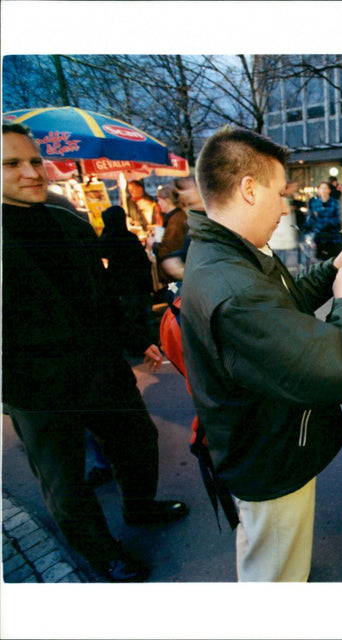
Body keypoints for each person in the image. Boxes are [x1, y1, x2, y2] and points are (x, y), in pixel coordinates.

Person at [179, 125, 342, 582]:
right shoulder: (237, 285)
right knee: (278, 574)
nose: (285, 208)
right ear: (248, 189)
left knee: (263, 553)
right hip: (270, 459)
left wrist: (331, 270)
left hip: (259, 448)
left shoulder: (233, 254)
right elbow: (336, 366)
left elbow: (283, 308)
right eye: (278, 193)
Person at [2, 123, 188, 583]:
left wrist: (135, 337)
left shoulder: (68, 221)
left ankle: (140, 509)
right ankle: (103, 554)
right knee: (65, 481)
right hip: (37, 386)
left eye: (34, 160)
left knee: (138, 442)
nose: (31, 171)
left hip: (101, 367)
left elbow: (102, 294)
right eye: (12, 163)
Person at [98, 205, 159, 352]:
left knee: (129, 317)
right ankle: (149, 342)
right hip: (140, 284)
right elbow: (144, 262)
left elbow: (100, 251)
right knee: (143, 315)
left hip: (123, 287)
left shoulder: (108, 239)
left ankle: (136, 345)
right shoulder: (130, 238)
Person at [152, 183, 189, 284]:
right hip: (174, 275)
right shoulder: (175, 217)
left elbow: (170, 247)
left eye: (160, 200)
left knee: (175, 296)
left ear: (167, 201)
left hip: (175, 278)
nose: (158, 203)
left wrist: (153, 245)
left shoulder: (175, 220)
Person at [305, 180, 342, 260]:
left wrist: (325, 223)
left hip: (333, 237)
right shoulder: (314, 202)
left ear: (329, 190)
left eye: (325, 188)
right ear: (318, 190)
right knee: (321, 260)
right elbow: (311, 218)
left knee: (333, 260)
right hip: (320, 237)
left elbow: (340, 218)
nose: (323, 190)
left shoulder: (336, 203)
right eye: (321, 188)